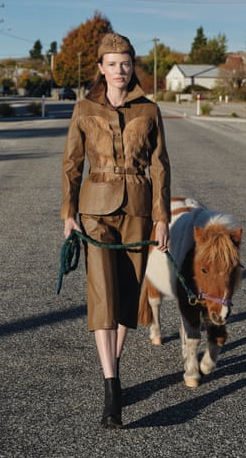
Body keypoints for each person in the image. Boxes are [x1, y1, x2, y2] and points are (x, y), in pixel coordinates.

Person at [61, 32, 171, 428]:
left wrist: (162, 218)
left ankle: (115, 369)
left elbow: (160, 167)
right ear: (101, 68)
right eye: (112, 63)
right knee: (102, 293)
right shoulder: (84, 107)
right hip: (95, 210)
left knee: (128, 294)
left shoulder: (150, 110)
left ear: (132, 65)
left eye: (125, 62)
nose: (120, 70)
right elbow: (72, 164)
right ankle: (112, 386)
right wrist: (68, 212)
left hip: (139, 209)